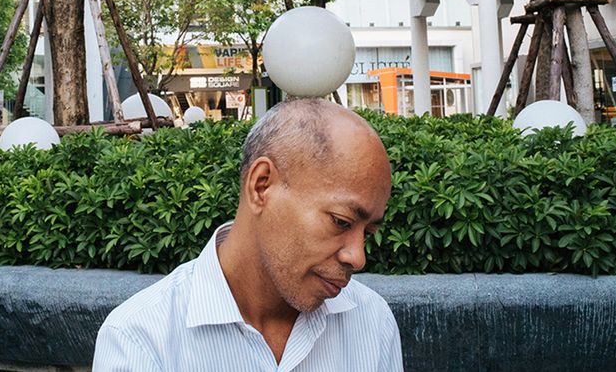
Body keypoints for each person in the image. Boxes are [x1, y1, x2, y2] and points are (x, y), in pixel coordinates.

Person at [93, 98, 401, 371]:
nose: (358, 257)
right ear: (261, 185)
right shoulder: (140, 340)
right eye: (341, 222)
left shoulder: (372, 322)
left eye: (369, 232)